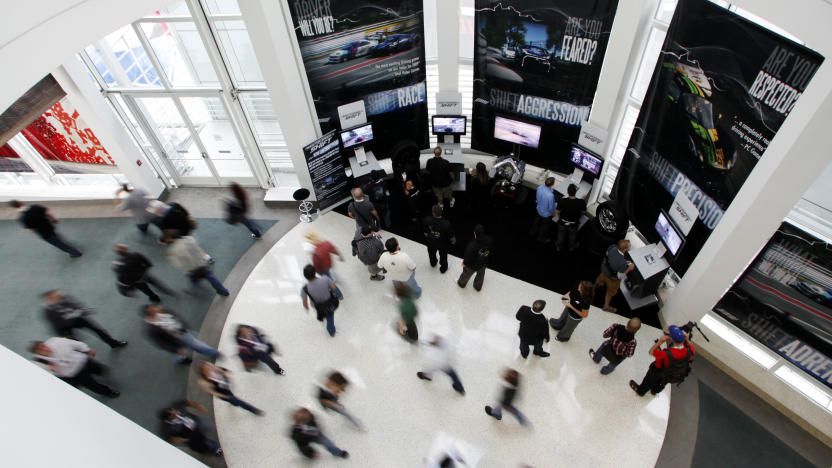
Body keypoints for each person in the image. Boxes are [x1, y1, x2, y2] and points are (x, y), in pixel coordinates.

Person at [30, 337, 119, 397]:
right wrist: (51, 369)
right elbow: (47, 380)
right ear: (37, 353)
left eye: (43, 346)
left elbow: (74, 343)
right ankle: (109, 392)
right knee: (94, 386)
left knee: (101, 370)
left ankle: (101, 376)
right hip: (75, 374)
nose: (45, 349)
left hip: (83, 361)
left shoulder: (56, 341)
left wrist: (87, 349)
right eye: (41, 350)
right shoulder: (39, 364)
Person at [41, 290, 127, 348]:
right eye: (55, 296)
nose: (59, 296)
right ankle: (83, 356)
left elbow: (76, 304)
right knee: (75, 343)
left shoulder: (64, 297)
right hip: (64, 327)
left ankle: (113, 343)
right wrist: (66, 335)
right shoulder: (48, 311)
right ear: (50, 299)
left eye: (58, 295)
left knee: (98, 329)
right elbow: (57, 324)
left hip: (76, 318)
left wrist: (84, 311)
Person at [630, 325, 695, 396]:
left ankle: (640, 391)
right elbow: (690, 345)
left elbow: (651, 352)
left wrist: (660, 341)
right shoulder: (690, 350)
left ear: (672, 339)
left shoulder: (666, 354)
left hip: (658, 369)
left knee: (649, 381)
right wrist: (687, 339)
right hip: (671, 371)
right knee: (662, 381)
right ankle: (654, 391)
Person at [143, 304, 220, 363]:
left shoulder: (162, 311)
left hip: (182, 331)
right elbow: (161, 343)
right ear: (149, 313)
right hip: (177, 337)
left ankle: (179, 358)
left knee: (192, 342)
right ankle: (215, 353)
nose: (155, 308)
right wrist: (175, 349)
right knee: (197, 345)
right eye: (152, 309)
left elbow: (175, 316)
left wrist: (184, 325)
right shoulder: (151, 329)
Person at [165, 232, 229, 297]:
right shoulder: (188, 239)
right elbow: (198, 249)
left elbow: (177, 264)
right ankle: (223, 291)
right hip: (201, 264)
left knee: (193, 280)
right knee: (211, 277)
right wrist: (205, 257)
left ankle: (193, 291)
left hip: (191, 269)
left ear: (170, 239)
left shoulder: (172, 250)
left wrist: (185, 269)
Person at [10, 200, 82, 257]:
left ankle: (75, 253)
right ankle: (69, 245)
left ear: (14, 207)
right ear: (21, 202)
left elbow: (30, 228)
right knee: (56, 237)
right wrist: (53, 219)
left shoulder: (22, 218)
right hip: (49, 226)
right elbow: (47, 213)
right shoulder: (35, 207)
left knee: (58, 244)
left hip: (43, 233)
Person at [158, 399, 223, 456]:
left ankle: (210, 444)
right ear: (168, 418)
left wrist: (199, 407)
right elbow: (170, 440)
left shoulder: (175, 405)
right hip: (190, 436)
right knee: (203, 443)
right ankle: (213, 448)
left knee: (206, 428)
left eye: (172, 410)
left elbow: (187, 402)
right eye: (172, 414)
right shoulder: (166, 429)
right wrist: (183, 439)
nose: (175, 412)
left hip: (196, 422)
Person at [197, 362, 263, 415]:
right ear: (203, 372)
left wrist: (226, 377)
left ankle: (234, 402)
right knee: (237, 401)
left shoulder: (211, 368)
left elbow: (220, 371)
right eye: (207, 369)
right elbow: (212, 392)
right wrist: (223, 396)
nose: (209, 368)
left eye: (209, 367)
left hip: (224, 385)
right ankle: (253, 410)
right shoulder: (203, 382)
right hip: (221, 392)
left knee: (233, 398)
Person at [594, 240, 635, 313]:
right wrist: (629, 268)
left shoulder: (612, 247)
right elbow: (620, 276)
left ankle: (593, 288)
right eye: (629, 246)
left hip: (604, 270)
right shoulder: (622, 263)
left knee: (598, 280)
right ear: (625, 249)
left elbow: (608, 255)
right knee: (611, 292)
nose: (630, 247)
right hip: (612, 278)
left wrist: (623, 262)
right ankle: (606, 306)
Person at [301, 264, 340, 337]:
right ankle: (332, 332)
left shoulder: (305, 289)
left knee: (322, 313)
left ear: (305, 276)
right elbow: (334, 288)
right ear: (315, 272)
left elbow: (305, 302)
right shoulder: (325, 279)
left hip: (318, 306)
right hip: (329, 303)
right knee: (330, 318)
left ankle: (323, 317)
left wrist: (306, 308)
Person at [457, 225, 493, 292]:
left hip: (471, 266)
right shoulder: (489, 240)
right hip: (483, 264)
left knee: (465, 275)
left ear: (474, 233)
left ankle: (461, 284)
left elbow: (467, 257)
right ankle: (477, 287)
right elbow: (489, 250)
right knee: (480, 276)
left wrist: (464, 263)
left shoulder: (472, 245)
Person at [423, 204, 455, 273]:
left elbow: (425, 233)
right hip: (442, 244)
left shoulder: (427, 220)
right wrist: (453, 242)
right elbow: (452, 238)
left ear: (433, 213)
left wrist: (431, 237)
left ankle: (433, 263)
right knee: (443, 256)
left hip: (431, 242)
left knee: (431, 253)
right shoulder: (446, 224)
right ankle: (443, 269)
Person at [555, 184, 587, 252]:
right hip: (573, 224)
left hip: (562, 223)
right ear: (576, 192)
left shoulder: (562, 200)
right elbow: (584, 212)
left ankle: (559, 247)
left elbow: (557, 211)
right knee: (572, 236)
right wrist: (582, 200)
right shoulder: (581, 202)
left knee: (561, 235)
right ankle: (572, 247)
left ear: (567, 192)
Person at [529, 177, 555, 243]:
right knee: (544, 227)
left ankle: (532, 232)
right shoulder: (550, 195)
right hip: (546, 214)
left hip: (539, 209)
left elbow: (537, 198)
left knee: (536, 221)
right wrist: (553, 213)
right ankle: (540, 238)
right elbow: (551, 207)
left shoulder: (540, 187)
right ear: (552, 184)